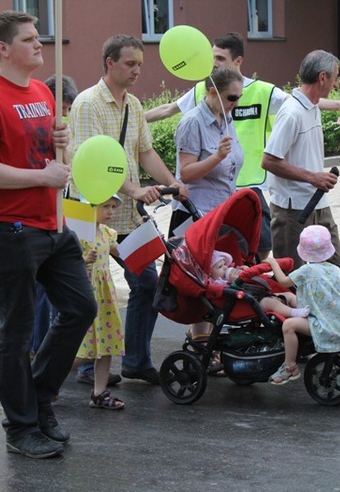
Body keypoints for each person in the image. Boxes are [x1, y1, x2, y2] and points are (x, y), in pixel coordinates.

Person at [0, 10, 97, 459]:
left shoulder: (42, 91)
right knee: (16, 330)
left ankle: (38, 397)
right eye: (29, 39)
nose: (41, 44)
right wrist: (41, 176)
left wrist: (58, 132)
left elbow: (46, 153)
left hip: (54, 225)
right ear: (4, 48)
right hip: (9, 230)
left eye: (40, 38)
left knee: (81, 308)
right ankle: (21, 427)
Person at [146, 32, 340, 259]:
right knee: (195, 267)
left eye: (220, 58)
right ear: (212, 93)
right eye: (212, 58)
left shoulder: (248, 98)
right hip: (200, 208)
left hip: (244, 190)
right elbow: (169, 113)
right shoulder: (200, 101)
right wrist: (134, 118)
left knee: (251, 252)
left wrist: (339, 104)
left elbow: (301, 100)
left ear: (238, 61)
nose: (236, 104)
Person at [69, 34, 188, 385]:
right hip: (88, 216)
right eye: (130, 63)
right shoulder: (88, 103)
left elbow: (144, 153)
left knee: (149, 282)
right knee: (91, 293)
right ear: (110, 62)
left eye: (140, 64)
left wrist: (174, 184)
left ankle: (136, 360)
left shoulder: (134, 105)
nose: (137, 70)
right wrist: (135, 189)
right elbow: (93, 165)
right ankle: (87, 365)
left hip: (128, 215)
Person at [262, 50, 340, 272]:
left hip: (319, 203)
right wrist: (312, 177)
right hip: (292, 211)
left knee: (336, 268)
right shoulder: (291, 113)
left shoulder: (312, 105)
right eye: (335, 77)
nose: (336, 83)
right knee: (292, 277)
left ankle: (318, 307)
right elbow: (269, 160)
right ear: (322, 78)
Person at [264, 225, 340, 385]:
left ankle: (290, 366)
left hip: (324, 325)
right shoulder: (336, 270)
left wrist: (273, 264)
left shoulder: (306, 271)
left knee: (288, 325)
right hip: (339, 320)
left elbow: (283, 281)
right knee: (288, 297)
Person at [30, 74, 80, 359]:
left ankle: (47, 349)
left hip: (58, 214)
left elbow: (68, 164)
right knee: (40, 290)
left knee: (57, 293)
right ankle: (36, 350)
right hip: (36, 219)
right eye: (60, 107)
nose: (63, 114)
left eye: (67, 110)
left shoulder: (61, 129)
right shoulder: (36, 125)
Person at [167, 66, 244, 236]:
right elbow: (185, 174)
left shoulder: (226, 118)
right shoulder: (193, 121)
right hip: (194, 214)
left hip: (219, 213)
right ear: (213, 92)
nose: (236, 103)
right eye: (232, 97)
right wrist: (217, 157)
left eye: (239, 97)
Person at [73, 194, 126, 410]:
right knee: (79, 349)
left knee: (106, 345)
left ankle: (99, 392)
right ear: (90, 207)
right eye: (106, 206)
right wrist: (84, 260)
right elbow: (65, 262)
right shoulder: (77, 234)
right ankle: (47, 382)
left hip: (105, 296)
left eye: (113, 207)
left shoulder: (107, 233)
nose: (112, 212)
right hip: (85, 294)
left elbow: (123, 252)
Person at [209, 250, 309, 319]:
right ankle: (295, 313)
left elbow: (256, 282)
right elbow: (224, 292)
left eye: (225, 264)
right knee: (272, 303)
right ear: (209, 273)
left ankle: (310, 308)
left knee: (289, 295)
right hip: (246, 304)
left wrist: (245, 271)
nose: (226, 268)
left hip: (260, 295)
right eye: (220, 267)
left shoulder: (231, 272)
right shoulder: (216, 284)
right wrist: (234, 281)